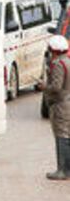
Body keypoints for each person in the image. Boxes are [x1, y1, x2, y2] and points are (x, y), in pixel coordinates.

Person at [36, 34, 70, 180]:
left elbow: (56, 87)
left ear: (54, 50)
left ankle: (62, 170)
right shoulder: (68, 61)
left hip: (60, 105)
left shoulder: (57, 64)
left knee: (61, 136)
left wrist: (44, 87)